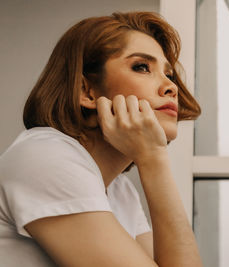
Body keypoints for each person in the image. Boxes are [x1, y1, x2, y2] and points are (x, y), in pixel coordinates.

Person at [0, 11, 202, 266]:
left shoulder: (120, 191)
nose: (170, 87)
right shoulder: (45, 157)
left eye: (169, 75)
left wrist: (153, 158)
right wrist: (153, 157)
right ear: (87, 91)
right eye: (142, 67)